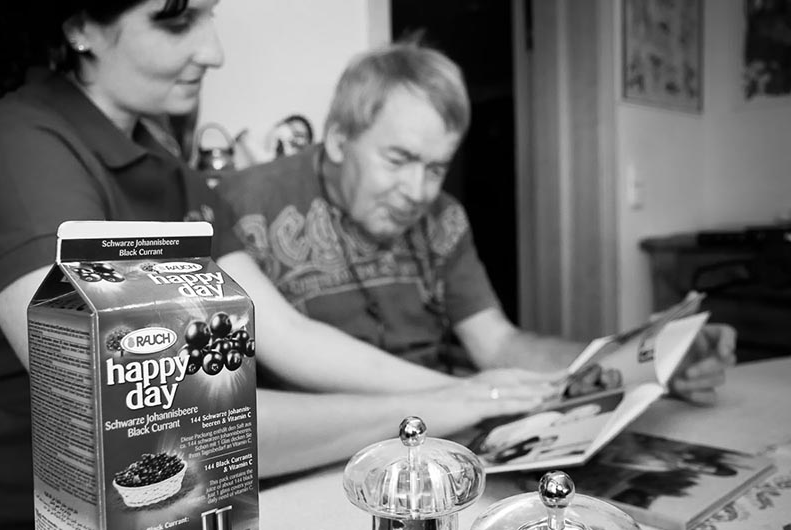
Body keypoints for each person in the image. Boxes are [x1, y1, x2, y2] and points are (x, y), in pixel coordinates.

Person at [0, 3, 554, 527]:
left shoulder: (168, 168)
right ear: (80, 27)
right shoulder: (20, 146)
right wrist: (428, 409)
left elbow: (286, 332)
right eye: (176, 21)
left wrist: (475, 394)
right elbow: (159, 422)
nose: (215, 52)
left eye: (211, 15)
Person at [219, 42, 737, 403]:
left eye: (437, 167)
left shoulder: (445, 218)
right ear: (337, 140)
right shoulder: (243, 204)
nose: (420, 193)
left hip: (440, 426)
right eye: (398, 160)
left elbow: (499, 346)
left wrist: (649, 359)